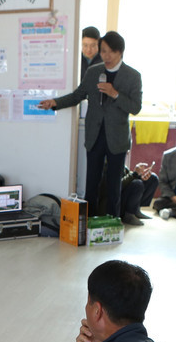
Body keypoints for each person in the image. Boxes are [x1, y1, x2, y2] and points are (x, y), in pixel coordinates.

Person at [40, 31, 143, 217]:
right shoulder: (94, 72)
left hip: (117, 138)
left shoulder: (133, 76)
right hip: (95, 135)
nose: (106, 56)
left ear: (120, 52)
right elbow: (77, 95)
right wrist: (55, 103)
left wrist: (115, 93)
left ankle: (112, 224)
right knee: (91, 184)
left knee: (114, 186)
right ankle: (88, 223)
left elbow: (135, 107)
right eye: (103, 51)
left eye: (111, 52)